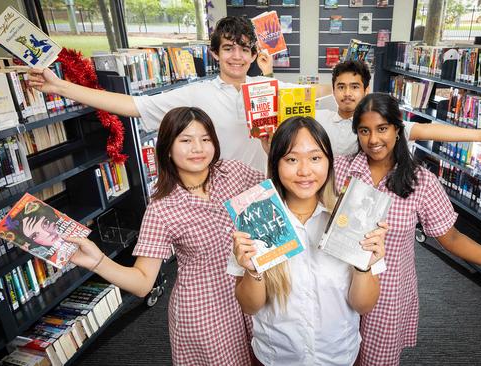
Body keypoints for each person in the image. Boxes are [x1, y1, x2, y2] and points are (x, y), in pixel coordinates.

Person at [333, 93, 481, 365]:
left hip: (387, 293)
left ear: (397, 129)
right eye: (364, 131)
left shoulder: (421, 182)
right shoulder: (337, 169)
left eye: (382, 129)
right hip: (337, 287)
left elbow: (451, 238)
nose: (373, 140)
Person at [66, 107, 266, 365]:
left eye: (205, 139)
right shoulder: (162, 208)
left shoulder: (232, 172)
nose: (198, 148)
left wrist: (272, 146)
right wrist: (98, 261)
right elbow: (142, 283)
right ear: (167, 148)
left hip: (253, 289)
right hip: (206, 307)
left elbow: (277, 190)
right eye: (185, 140)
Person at [227, 117, 388, 365]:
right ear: (276, 164)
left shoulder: (353, 220)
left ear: (329, 163)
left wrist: (363, 266)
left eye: (315, 158)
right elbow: (250, 307)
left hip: (338, 356)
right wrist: (253, 270)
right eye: (291, 159)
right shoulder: (254, 220)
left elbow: (364, 306)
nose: (304, 171)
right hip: (276, 358)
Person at [27, 17, 283, 172]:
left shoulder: (269, 89)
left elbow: (319, 98)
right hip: (219, 199)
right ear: (215, 53)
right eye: (228, 48)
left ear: (253, 54)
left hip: (268, 189)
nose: (237, 57)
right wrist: (61, 87)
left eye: (244, 49)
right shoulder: (197, 94)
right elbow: (133, 105)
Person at [316, 60, 481, 156]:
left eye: (354, 87)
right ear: (333, 91)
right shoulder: (318, 119)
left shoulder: (379, 124)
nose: (347, 93)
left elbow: (427, 130)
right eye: (341, 87)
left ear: (366, 90)